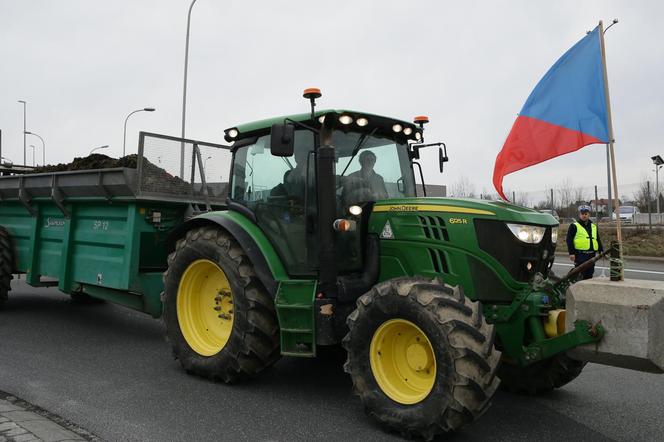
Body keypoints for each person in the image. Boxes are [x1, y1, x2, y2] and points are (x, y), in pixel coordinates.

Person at [566, 204, 603, 279]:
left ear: (589, 214)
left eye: (586, 214)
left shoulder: (593, 226)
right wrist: (571, 253)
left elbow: (597, 239)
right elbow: (569, 240)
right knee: (579, 275)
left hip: (591, 255)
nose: (584, 215)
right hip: (580, 255)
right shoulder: (574, 226)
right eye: (582, 214)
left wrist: (601, 250)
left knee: (589, 274)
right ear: (579, 215)